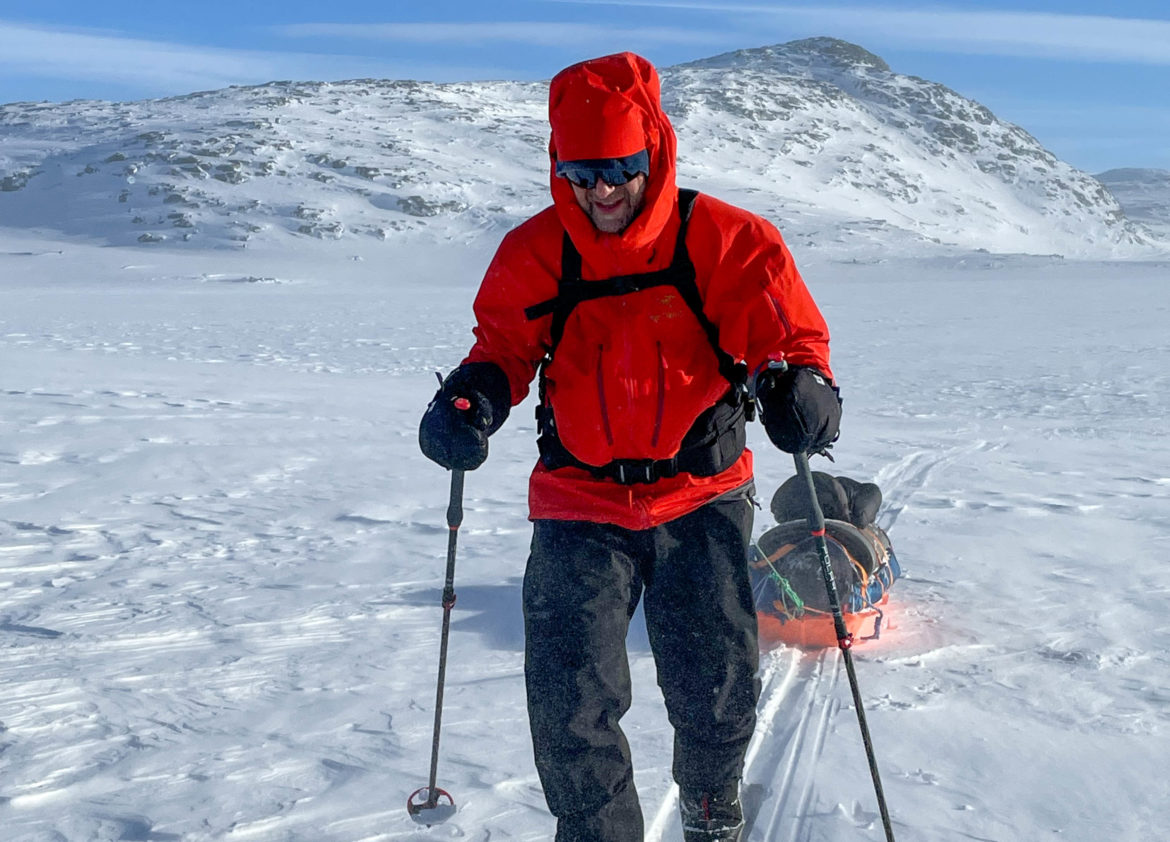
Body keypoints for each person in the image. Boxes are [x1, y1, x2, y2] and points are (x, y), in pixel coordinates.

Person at [419, 52, 841, 842]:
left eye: (620, 167)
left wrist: (802, 386)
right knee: (568, 696)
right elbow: (504, 346)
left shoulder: (725, 239)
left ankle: (712, 803)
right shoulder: (537, 251)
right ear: (559, 166)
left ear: (655, 151)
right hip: (580, 502)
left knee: (713, 680)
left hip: (699, 497)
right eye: (583, 171)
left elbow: (786, 335)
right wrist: (471, 397)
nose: (602, 189)